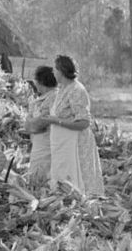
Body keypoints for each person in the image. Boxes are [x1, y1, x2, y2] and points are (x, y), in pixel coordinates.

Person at [43, 55, 104, 195]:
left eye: (55, 69)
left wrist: (56, 121)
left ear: (62, 71)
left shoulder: (77, 90)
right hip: (62, 145)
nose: (53, 73)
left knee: (78, 185)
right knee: (62, 182)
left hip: (76, 145)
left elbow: (84, 122)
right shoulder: (63, 89)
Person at [24, 66, 58, 181]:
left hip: (47, 147)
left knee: (42, 179)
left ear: (41, 81)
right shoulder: (42, 99)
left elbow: (36, 125)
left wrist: (30, 123)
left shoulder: (54, 98)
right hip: (40, 145)